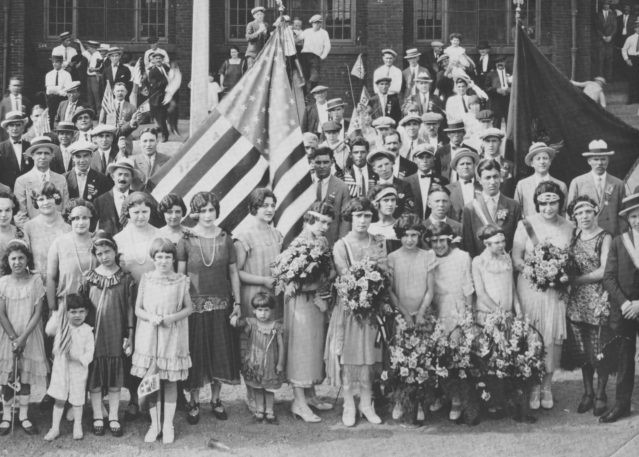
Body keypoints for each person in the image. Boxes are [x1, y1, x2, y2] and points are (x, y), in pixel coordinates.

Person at [178, 191, 241, 424]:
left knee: (219, 352)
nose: (207, 214)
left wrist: (238, 302)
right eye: (202, 210)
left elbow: (233, 272)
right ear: (195, 213)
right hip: (194, 306)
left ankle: (215, 399)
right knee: (196, 353)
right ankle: (194, 401)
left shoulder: (225, 238)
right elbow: (181, 275)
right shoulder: (186, 239)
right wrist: (182, 304)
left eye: (211, 210)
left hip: (221, 304)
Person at [324, 197, 386, 427]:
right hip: (350, 309)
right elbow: (345, 274)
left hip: (372, 309)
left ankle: (367, 403)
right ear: (350, 217)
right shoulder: (341, 245)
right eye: (358, 215)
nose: (362, 220)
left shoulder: (378, 241)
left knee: (369, 357)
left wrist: (376, 288)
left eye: (367, 216)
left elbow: (384, 270)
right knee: (349, 358)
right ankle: (349, 403)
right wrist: (362, 289)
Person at [511, 181, 574, 411]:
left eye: (553, 202)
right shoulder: (525, 224)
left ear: (560, 203)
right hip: (531, 288)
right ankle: (533, 385)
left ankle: (547, 385)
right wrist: (537, 273)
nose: (548, 207)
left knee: (552, 336)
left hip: (556, 291)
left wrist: (561, 274)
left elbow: (572, 259)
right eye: (543, 203)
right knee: (533, 335)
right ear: (537, 203)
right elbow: (516, 258)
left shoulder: (569, 226)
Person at [131, 238, 192, 444]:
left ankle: (168, 425)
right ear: (153, 258)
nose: (163, 261)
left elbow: (189, 308)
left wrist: (171, 318)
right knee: (153, 380)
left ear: (173, 259)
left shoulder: (181, 280)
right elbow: (138, 309)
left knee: (170, 381)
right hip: (150, 336)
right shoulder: (147, 279)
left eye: (167, 256)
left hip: (172, 336)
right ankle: (155, 424)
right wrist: (151, 317)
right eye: (159, 257)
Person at [80, 231, 135, 438]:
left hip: (115, 333)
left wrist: (130, 334)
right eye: (100, 253)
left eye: (108, 251)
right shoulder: (89, 277)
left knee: (114, 378)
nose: (104, 256)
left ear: (115, 251)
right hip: (94, 335)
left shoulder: (125, 277)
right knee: (95, 377)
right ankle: (97, 415)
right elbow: (81, 307)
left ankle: (113, 416)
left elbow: (129, 308)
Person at [561, 196, 613, 417]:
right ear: (574, 217)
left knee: (598, 349)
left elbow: (603, 270)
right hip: (576, 303)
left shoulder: (604, 237)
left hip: (597, 300)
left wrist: (577, 280)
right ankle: (588, 392)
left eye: (588, 212)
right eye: (579, 213)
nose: (584, 217)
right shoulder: (574, 236)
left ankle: (601, 394)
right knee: (582, 350)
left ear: (595, 212)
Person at [283, 203, 334, 423]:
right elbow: (291, 282)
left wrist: (325, 283)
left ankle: (310, 395)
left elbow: (330, 270)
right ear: (308, 220)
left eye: (328, 223)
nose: (324, 227)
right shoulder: (298, 244)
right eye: (321, 221)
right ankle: (299, 402)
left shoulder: (322, 242)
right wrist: (316, 285)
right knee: (301, 350)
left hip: (317, 302)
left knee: (314, 347)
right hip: (301, 303)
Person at [0, 240, 48, 435]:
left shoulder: (35, 281)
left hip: (29, 334)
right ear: (7, 261)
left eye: (21, 258)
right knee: (8, 376)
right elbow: (1, 313)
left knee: (25, 375)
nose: (17, 262)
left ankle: (24, 415)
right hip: (7, 335)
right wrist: (13, 337)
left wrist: (22, 339)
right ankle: (6, 416)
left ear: (27, 259)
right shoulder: (3, 282)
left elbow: (38, 313)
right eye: (13, 258)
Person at [427, 222, 473, 420]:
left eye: (442, 240)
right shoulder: (428, 257)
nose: (438, 245)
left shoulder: (462, 256)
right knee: (437, 354)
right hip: (436, 309)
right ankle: (440, 395)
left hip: (457, 308)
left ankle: (456, 399)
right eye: (434, 241)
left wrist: (467, 315)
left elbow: (468, 286)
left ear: (450, 239)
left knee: (456, 355)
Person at [600, 191, 639, 423]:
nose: (637, 220)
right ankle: (622, 405)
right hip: (625, 311)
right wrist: (625, 303)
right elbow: (609, 278)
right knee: (625, 358)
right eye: (633, 216)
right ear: (627, 219)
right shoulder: (619, 242)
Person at [43, 293, 94, 441]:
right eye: (73, 312)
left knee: (77, 400)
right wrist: (60, 311)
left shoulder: (87, 330)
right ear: (66, 313)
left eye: (81, 311)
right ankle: (55, 428)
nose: (77, 315)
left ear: (86, 312)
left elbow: (90, 353)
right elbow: (48, 329)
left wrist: (78, 358)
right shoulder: (62, 326)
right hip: (61, 369)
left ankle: (77, 426)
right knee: (59, 398)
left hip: (78, 370)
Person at [233, 292, 285, 424]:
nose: (263, 313)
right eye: (260, 310)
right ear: (254, 311)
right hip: (255, 363)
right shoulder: (251, 324)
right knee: (257, 387)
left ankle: (270, 411)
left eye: (266, 310)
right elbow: (237, 324)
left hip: (270, 365)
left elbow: (281, 346)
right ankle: (260, 410)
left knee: (269, 388)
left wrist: (280, 363)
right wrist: (234, 316)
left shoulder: (276, 326)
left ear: (272, 311)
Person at [462, 158, 521, 257]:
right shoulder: (470, 208)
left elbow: (518, 240)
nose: (492, 182)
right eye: (487, 178)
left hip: (506, 261)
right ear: (479, 180)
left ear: (500, 177)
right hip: (480, 262)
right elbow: (468, 243)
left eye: (495, 177)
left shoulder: (513, 206)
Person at [567, 139, 626, 236]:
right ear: (589, 161)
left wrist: (621, 236)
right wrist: (574, 234)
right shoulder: (577, 182)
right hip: (586, 235)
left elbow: (623, 213)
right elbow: (570, 214)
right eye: (596, 159)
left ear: (608, 160)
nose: (600, 163)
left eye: (603, 159)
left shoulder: (618, 184)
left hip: (612, 234)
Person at [388, 213, 436, 326]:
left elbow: (430, 290)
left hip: (423, 313)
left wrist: (421, 313)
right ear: (399, 235)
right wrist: (405, 314)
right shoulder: (392, 258)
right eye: (405, 235)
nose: (409, 240)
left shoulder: (428, 256)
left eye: (413, 235)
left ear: (419, 235)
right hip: (400, 315)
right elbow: (390, 291)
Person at [472, 225, 521, 323]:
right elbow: (481, 294)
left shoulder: (507, 259)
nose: (502, 245)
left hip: (508, 315)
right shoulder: (478, 261)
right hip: (488, 316)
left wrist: (518, 308)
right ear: (486, 243)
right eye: (497, 243)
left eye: (503, 241)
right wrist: (501, 314)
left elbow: (512, 287)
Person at [22, 183, 70, 281]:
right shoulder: (28, 227)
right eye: (41, 199)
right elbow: (26, 259)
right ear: (36, 202)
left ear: (56, 198)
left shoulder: (68, 223)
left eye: (49, 197)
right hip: (39, 281)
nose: (46, 202)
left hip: (65, 280)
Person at [13, 136, 69, 220]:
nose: (43, 157)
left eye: (46, 153)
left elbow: (65, 208)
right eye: (39, 153)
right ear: (32, 155)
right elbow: (21, 214)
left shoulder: (61, 179)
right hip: (32, 227)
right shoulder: (22, 181)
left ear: (52, 155)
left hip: (58, 226)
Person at [114, 192, 159, 283]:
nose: (141, 216)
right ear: (128, 213)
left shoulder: (160, 235)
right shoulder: (118, 239)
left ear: (150, 211)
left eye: (145, 211)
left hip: (155, 287)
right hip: (129, 288)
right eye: (136, 212)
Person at [514, 142, 568, 218]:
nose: (542, 162)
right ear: (532, 163)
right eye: (538, 159)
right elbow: (517, 211)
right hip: (530, 224)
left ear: (550, 162)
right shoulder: (522, 185)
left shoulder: (561, 185)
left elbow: (564, 212)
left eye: (545, 158)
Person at [310, 147, 351, 245]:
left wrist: (341, 244)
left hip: (332, 241)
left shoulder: (342, 187)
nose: (322, 166)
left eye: (325, 162)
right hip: (307, 241)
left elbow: (345, 219)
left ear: (332, 162)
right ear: (312, 162)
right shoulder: (305, 185)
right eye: (318, 162)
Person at [93, 158, 143, 234]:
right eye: (119, 174)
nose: (122, 178)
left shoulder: (138, 198)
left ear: (132, 178)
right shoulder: (99, 201)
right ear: (113, 177)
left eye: (126, 175)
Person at [367, 149, 415, 217]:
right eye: (380, 166)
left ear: (392, 164)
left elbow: (409, 210)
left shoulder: (404, 185)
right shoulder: (372, 187)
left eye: (386, 164)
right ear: (374, 170)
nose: (384, 169)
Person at [405, 144, 447, 219]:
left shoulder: (443, 181)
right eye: (421, 157)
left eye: (428, 157)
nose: (424, 161)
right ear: (414, 160)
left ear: (433, 159)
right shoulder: (406, 181)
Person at [446, 148, 481, 222]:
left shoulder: (482, 187)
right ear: (456, 168)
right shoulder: (448, 189)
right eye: (462, 164)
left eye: (468, 163)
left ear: (474, 166)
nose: (465, 167)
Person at [478, 128, 515, 196]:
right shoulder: (477, 165)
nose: (491, 145)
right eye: (487, 141)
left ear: (500, 143)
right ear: (483, 143)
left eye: (494, 141)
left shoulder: (510, 165)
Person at [300, 15, 331, 93]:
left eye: (319, 23)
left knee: (314, 77)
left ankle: (312, 94)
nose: (318, 24)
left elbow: (327, 46)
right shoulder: (307, 31)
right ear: (312, 23)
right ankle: (305, 95)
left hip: (316, 57)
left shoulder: (324, 33)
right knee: (304, 77)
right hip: (305, 56)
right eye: (316, 23)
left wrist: (323, 56)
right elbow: (297, 39)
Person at [0, 111, 31, 190]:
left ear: (23, 128)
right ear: (7, 129)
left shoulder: (29, 146)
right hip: (7, 190)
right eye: (11, 125)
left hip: (28, 189)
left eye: (18, 125)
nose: (15, 128)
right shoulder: (1, 148)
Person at [367, 184, 401, 253]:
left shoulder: (401, 226)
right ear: (376, 203)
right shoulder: (369, 228)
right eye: (386, 200)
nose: (390, 204)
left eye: (393, 200)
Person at [146, 52, 170, 142]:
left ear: (162, 60)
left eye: (160, 58)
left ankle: (162, 131)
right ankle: (164, 135)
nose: (158, 60)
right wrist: (167, 81)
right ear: (153, 60)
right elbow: (155, 84)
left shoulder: (165, 68)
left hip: (166, 95)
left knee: (164, 115)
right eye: (156, 58)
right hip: (157, 97)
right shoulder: (152, 71)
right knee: (160, 117)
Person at [485, 57, 511, 128]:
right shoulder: (491, 74)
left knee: (509, 120)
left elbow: (516, 84)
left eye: (501, 62)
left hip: (508, 99)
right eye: (497, 62)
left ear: (505, 63)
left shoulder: (510, 72)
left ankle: (510, 134)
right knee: (496, 121)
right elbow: (487, 88)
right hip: (496, 100)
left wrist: (511, 89)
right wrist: (496, 90)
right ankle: (497, 134)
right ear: (495, 64)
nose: (500, 64)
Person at [596, 1, 617, 83]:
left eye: (608, 4)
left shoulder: (612, 15)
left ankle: (609, 78)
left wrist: (611, 36)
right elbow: (596, 28)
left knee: (609, 59)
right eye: (605, 4)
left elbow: (615, 27)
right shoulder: (598, 15)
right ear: (602, 5)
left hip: (610, 40)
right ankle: (600, 78)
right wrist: (603, 36)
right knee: (600, 59)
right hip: (601, 40)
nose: (607, 6)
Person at [621, 20, 639, 104]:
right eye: (637, 27)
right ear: (635, 28)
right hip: (633, 59)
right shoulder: (630, 38)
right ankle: (631, 99)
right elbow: (624, 49)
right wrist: (626, 59)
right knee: (632, 79)